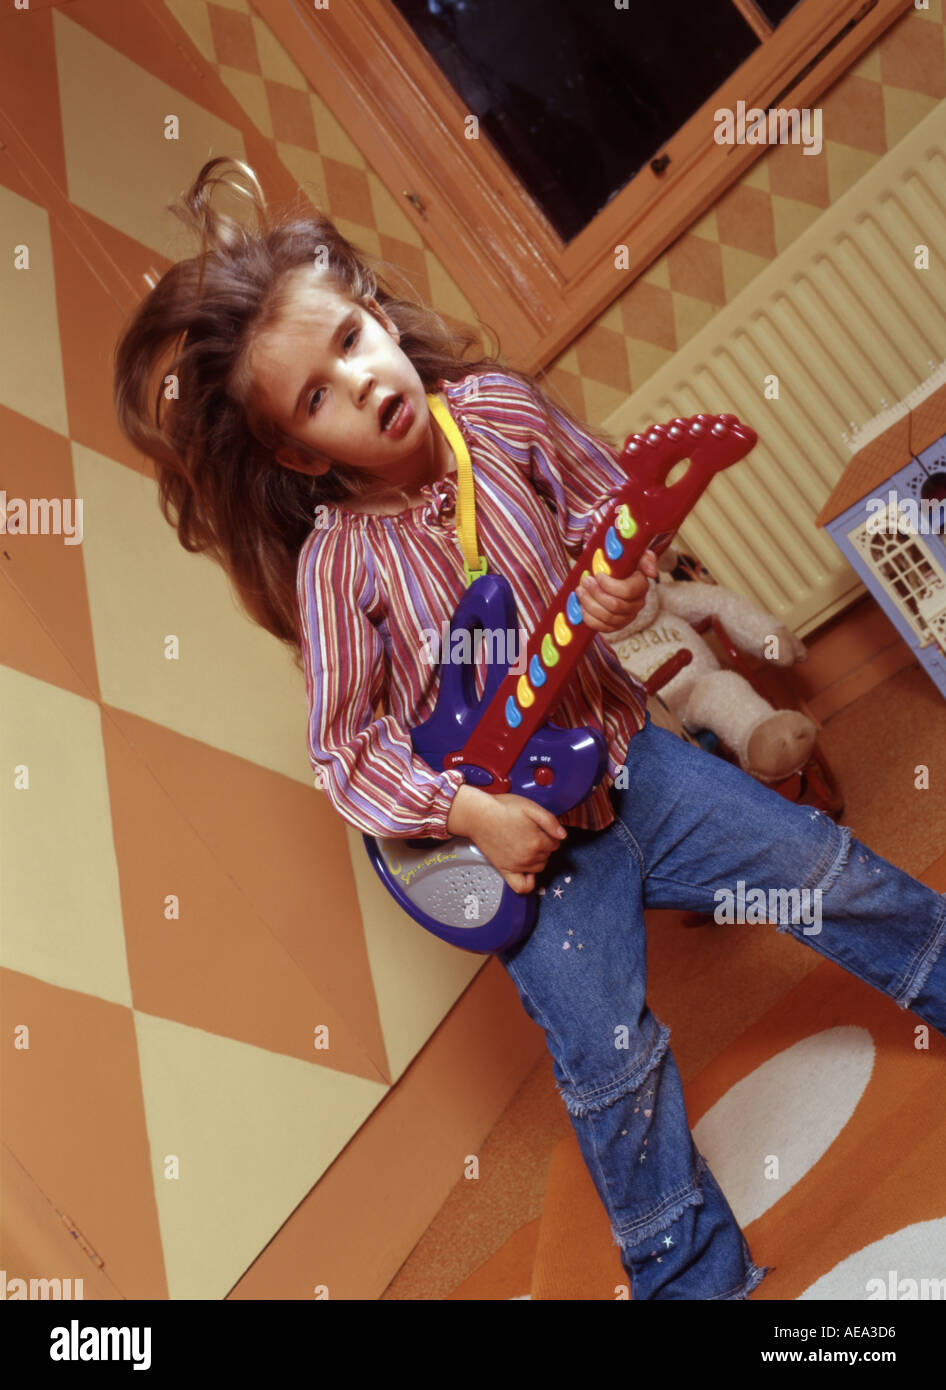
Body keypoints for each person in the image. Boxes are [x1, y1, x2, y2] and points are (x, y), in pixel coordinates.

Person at [113, 156, 946, 1300]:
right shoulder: (334, 569)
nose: (357, 381)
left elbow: (614, 515)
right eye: (314, 396)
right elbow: (347, 752)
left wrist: (625, 578)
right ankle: (692, 1279)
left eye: (353, 339)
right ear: (302, 455)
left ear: (379, 318)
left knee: (817, 870)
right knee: (613, 1066)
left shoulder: (499, 412)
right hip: (530, 850)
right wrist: (469, 813)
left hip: (631, 759)